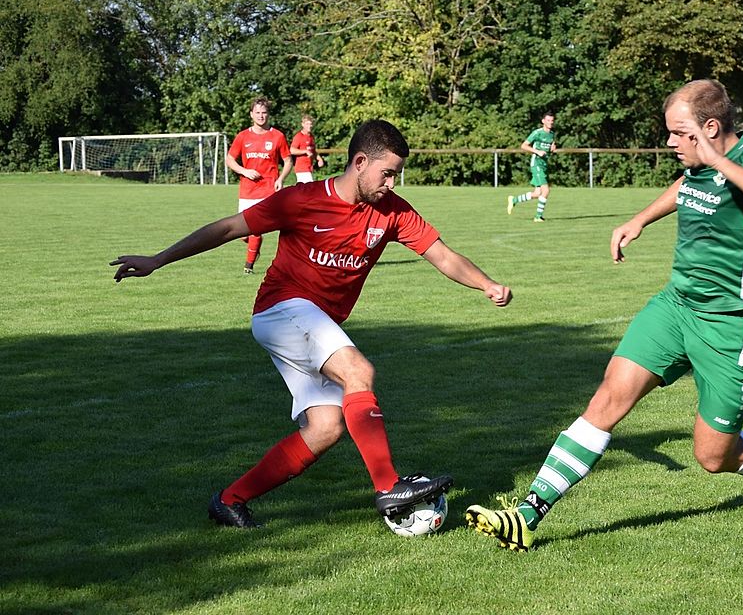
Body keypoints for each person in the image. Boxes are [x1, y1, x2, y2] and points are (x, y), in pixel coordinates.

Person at [112, 119, 513, 529]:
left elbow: (442, 255)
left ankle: (229, 501)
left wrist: (486, 284)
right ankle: (389, 487)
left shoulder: (392, 212)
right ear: (360, 162)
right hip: (281, 308)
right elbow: (229, 228)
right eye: (387, 173)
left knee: (326, 427)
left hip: (310, 321)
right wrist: (157, 260)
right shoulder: (301, 199)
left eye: (396, 174)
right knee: (358, 371)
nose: (392, 183)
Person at [466, 80, 743, 552]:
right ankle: (527, 514)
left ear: (710, 129)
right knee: (608, 398)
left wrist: (718, 161)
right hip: (676, 306)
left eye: (678, 133)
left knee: (713, 457)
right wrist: (639, 220)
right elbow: (686, 186)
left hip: (734, 321)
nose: (669, 142)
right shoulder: (697, 165)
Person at [226, 97, 293, 274]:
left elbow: (287, 161)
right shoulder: (243, 136)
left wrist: (281, 179)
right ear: (251, 114)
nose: (261, 116)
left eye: (264, 113)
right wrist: (244, 171)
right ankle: (254, 245)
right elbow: (230, 159)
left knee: (255, 227)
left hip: (267, 189)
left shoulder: (277, 136)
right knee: (242, 233)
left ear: (268, 114)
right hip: (247, 190)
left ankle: (248, 266)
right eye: (257, 112)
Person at [508, 111, 556, 222]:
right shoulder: (537, 133)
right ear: (543, 121)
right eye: (548, 120)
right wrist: (537, 152)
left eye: (552, 121)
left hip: (544, 165)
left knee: (537, 193)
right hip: (536, 163)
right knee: (546, 190)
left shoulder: (552, 134)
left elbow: (549, 147)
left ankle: (514, 200)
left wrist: (552, 149)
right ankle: (538, 217)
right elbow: (523, 146)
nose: (550, 123)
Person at [290, 114, 324, 183]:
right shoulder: (299, 136)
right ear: (303, 124)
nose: (309, 126)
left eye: (310, 124)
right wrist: (305, 151)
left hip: (309, 168)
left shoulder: (311, 136)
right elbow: (292, 150)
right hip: (302, 168)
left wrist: (319, 159)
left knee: (305, 190)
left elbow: (313, 151)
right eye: (307, 124)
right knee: (310, 189)